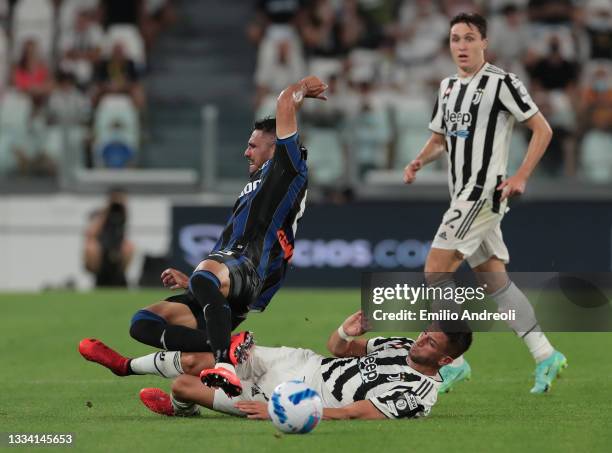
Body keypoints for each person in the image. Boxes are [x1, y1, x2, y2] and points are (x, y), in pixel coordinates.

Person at [83, 76, 327, 398]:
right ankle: (210, 353)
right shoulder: (256, 185)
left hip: (249, 268)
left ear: (275, 146)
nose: (245, 152)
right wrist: (196, 282)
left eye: (253, 145)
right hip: (229, 279)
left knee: (205, 279)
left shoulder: (289, 167)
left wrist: (302, 88)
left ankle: (224, 361)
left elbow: (284, 101)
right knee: (143, 323)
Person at [402, 13, 566, 394]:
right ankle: (546, 355)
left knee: (435, 271)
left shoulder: (502, 82)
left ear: (484, 43)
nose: (461, 45)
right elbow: (441, 138)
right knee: (496, 283)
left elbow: (543, 128)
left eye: (469, 38)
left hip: (482, 193)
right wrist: (418, 160)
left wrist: (522, 174)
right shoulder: (446, 87)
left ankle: (454, 362)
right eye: (455, 38)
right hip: (462, 194)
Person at [79, 311, 472, 420]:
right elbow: (338, 349)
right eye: (424, 332)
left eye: (430, 342)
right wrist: (343, 331)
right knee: (209, 356)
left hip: (296, 396)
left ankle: (180, 407)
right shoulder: (400, 345)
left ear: (446, 359)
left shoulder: (417, 394)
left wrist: (280, 410)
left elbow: (354, 412)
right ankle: (124, 365)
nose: (420, 339)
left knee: (184, 384)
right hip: (300, 361)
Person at [83, 188, 134, 287]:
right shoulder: (100, 213)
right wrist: (106, 211)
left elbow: (123, 232)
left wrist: (123, 207)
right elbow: (91, 234)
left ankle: (120, 274)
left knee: (129, 247)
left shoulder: (122, 213)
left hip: (117, 246)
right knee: (91, 247)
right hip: (101, 247)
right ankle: (98, 275)